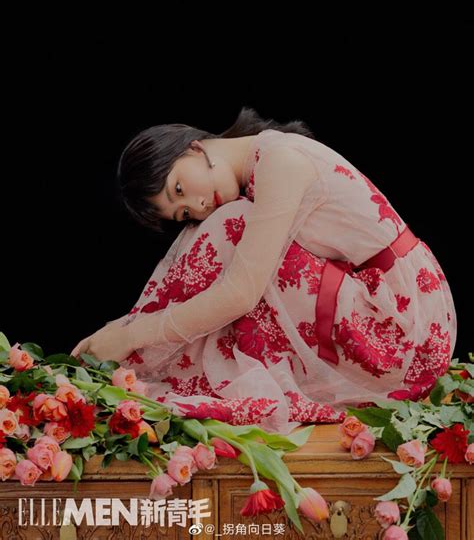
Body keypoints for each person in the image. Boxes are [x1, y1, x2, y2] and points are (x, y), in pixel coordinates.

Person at [71, 107, 457, 435]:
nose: (199, 203)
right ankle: (129, 353)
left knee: (231, 227)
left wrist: (134, 333)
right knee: (227, 230)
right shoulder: (266, 159)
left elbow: (241, 292)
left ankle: (129, 353)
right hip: (394, 315)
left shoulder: (279, 160)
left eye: (178, 188)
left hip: (407, 329)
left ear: (192, 146)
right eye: (183, 211)